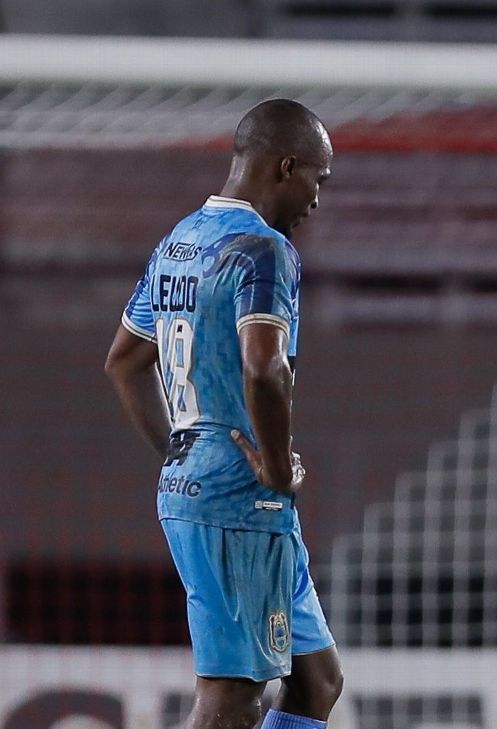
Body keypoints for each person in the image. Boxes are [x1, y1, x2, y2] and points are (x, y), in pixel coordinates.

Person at [104, 99, 342, 729]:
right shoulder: (263, 250)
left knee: (316, 679)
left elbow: (126, 361)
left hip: (201, 484)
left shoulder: (181, 241)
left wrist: (181, 449)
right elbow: (265, 367)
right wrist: (272, 463)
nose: (317, 199)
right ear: (286, 167)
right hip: (240, 498)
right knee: (234, 696)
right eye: (317, 179)